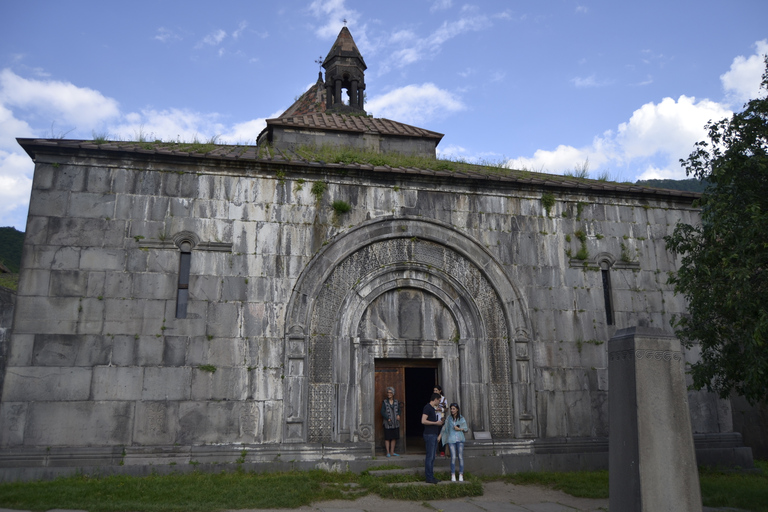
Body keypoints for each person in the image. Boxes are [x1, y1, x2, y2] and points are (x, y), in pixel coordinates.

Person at [440, 402, 468, 482]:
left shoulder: (461, 418)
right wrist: (440, 436)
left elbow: (466, 428)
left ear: (457, 410)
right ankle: (452, 474)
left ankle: (461, 474)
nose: (452, 410)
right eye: (451, 409)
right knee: (453, 457)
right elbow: (445, 428)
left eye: (453, 409)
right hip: (451, 439)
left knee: (460, 457)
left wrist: (459, 429)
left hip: (460, 439)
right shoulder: (449, 418)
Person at [422, 392, 444, 484]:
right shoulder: (427, 408)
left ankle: (431, 476)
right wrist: (435, 423)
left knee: (432, 457)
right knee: (430, 457)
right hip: (429, 434)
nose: (439, 402)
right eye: (439, 400)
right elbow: (423, 421)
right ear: (435, 399)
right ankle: (429, 477)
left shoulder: (432, 409)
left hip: (433, 434)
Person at [380, 387, 401, 457]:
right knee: (387, 437)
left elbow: (399, 410)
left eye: (390, 393)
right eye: (388, 393)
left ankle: (392, 451)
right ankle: (388, 452)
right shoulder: (385, 402)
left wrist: (398, 415)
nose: (389, 394)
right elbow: (382, 411)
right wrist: (387, 418)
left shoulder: (396, 402)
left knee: (394, 437)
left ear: (393, 394)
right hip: (388, 423)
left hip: (395, 422)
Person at [433, 385, 447, 457]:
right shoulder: (433, 399)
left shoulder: (444, 399)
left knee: (441, 435)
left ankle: (442, 451)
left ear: (440, 391)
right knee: (434, 435)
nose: (435, 392)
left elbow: (446, 409)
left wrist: (441, 409)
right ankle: (434, 450)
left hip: (441, 419)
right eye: (434, 390)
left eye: (436, 390)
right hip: (434, 419)